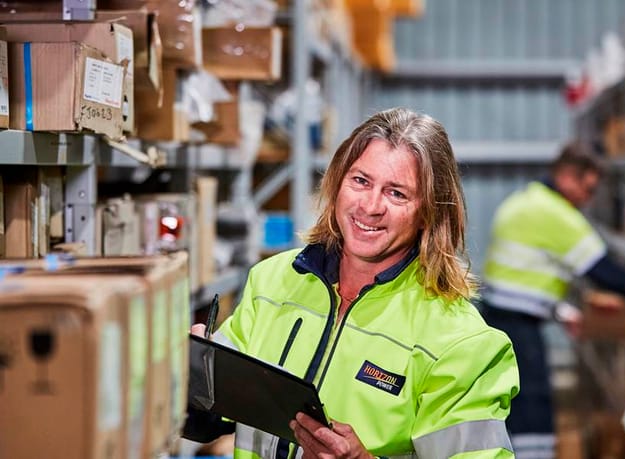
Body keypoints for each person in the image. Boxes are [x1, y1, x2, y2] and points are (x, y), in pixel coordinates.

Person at [185, 107, 519, 458]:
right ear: (337, 183)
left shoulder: (462, 343)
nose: (370, 206)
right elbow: (211, 416)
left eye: (397, 193)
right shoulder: (272, 282)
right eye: (360, 181)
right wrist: (194, 375)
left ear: (428, 213)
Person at [478, 141, 625, 459]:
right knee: (533, 405)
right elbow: (605, 273)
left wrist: (559, 309)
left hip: (498, 316)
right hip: (517, 325)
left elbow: (527, 271)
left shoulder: (528, 199)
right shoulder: (555, 214)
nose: (589, 198)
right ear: (568, 177)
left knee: (511, 401)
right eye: (588, 188)